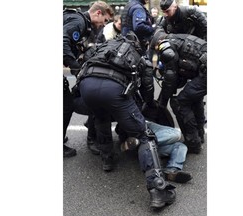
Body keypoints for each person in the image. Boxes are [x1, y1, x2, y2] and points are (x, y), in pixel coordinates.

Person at [77, 33, 176, 209]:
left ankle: (108, 159)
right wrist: (146, 106)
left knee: (101, 118)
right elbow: (147, 87)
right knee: (145, 135)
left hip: (86, 85)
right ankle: (158, 190)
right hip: (113, 88)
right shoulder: (137, 53)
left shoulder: (104, 46)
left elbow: (84, 60)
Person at [63, 1, 114, 157]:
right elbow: (62, 42)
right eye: (105, 20)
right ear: (98, 13)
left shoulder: (84, 24)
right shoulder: (79, 21)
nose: (104, 24)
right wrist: (75, 67)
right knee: (66, 103)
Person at [150, 29, 207, 154]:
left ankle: (193, 143)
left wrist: (163, 102)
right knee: (194, 99)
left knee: (180, 102)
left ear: (158, 42)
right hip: (204, 71)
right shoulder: (177, 39)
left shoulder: (166, 46)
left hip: (206, 72)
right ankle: (199, 136)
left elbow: (171, 77)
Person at [121, 120, 192, 184]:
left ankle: (171, 171)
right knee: (176, 133)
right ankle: (143, 143)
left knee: (180, 146)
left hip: (149, 143)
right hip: (140, 124)